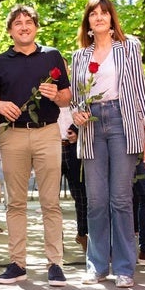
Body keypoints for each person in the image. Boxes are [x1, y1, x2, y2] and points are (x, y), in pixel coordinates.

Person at [71, 0, 145, 288]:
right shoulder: (79, 56)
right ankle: (96, 267)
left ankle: (124, 268)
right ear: (88, 22)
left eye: (104, 13)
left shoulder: (129, 47)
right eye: (93, 14)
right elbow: (75, 97)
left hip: (122, 120)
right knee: (95, 201)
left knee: (120, 199)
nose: (99, 17)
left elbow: (141, 91)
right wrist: (76, 113)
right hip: (92, 125)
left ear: (111, 18)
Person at [0, 4, 71, 287]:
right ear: (10, 30)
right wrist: (0, 105)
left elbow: (67, 97)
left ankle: (55, 264)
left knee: (51, 202)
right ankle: (17, 264)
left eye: (28, 21)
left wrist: (56, 93)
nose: (24, 26)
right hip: (13, 136)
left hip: (47, 133)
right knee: (16, 203)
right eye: (18, 23)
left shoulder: (52, 56)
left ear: (36, 27)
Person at [58, 106, 87, 252]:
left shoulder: (76, 91)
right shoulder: (44, 91)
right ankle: (56, 239)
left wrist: (76, 128)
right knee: (51, 200)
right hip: (51, 147)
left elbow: (87, 112)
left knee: (82, 196)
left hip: (74, 148)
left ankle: (83, 234)